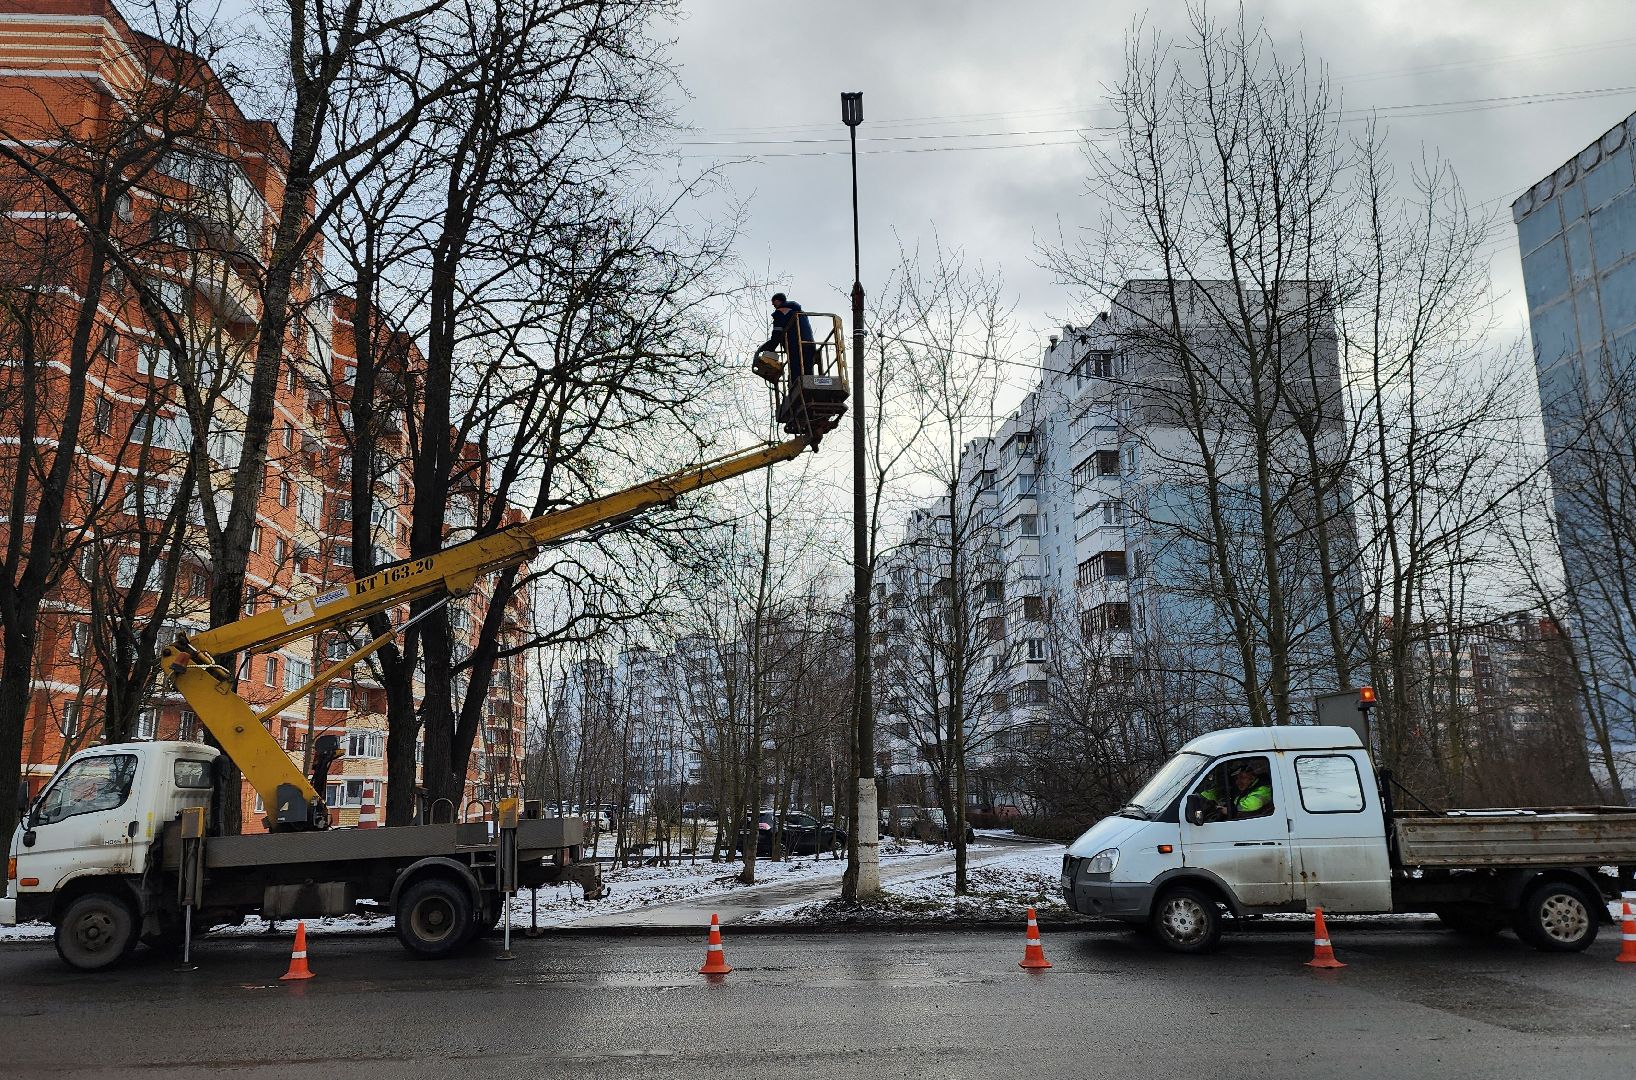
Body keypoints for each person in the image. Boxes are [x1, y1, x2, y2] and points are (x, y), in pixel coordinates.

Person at [761, 292, 816, 381]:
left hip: (795, 345)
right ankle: (809, 391)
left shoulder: (781, 311)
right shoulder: (799, 312)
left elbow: (777, 332)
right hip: (809, 344)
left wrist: (769, 347)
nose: (773, 305)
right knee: (808, 374)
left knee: (796, 373)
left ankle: (795, 387)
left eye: (774, 302)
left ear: (778, 301)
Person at [1196, 761, 1273, 821]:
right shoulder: (1243, 786)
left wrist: (1223, 809)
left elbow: (1251, 805)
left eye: (1242, 778)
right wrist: (1200, 797)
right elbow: (1218, 792)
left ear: (1252, 778)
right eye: (1237, 778)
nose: (1238, 781)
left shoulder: (1263, 790)